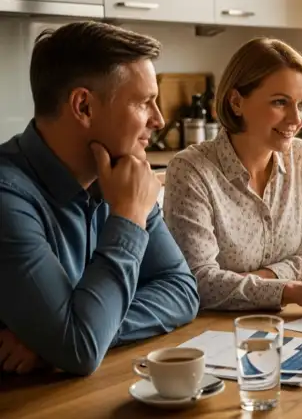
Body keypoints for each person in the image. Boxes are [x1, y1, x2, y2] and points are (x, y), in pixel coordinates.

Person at [0, 21, 200, 376]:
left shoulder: (119, 172)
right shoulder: (7, 196)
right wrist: (128, 217)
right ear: (84, 107)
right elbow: (79, 348)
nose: (159, 120)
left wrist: (60, 340)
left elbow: (182, 290)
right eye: (144, 103)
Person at [163, 37, 302, 316]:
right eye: (280, 102)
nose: (295, 119)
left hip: (289, 323)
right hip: (217, 331)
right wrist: (289, 290)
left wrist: (270, 277)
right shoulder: (191, 170)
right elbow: (198, 281)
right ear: (236, 102)